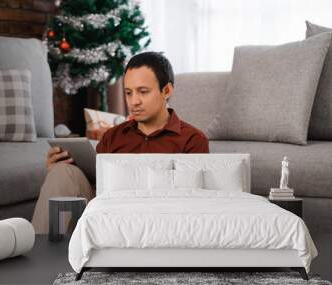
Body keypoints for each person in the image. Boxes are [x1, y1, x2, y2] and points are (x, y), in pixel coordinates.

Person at [32, 52, 210, 233]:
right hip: (105, 212)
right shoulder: (112, 137)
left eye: (143, 92)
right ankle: (40, 254)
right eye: (128, 93)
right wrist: (61, 169)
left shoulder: (193, 140)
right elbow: (95, 189)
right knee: (63, 171)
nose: (134, 102)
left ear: (167, 91)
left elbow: (191, 203)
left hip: (156, 219)